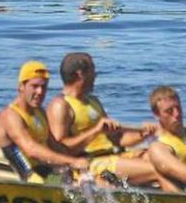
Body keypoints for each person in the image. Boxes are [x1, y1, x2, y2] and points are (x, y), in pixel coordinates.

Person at [45, 53, 178, 191]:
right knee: (158, 170)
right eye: (93, 71)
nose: (95, 76)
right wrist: (95, 130)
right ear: (80, 74)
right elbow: (59, 149)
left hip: (113, 155)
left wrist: (143, 134)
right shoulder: (60, 105)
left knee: (165, 159)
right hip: (91, 163)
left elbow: (118, 140)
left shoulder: (93, 101)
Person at [0, 60, 90, 182]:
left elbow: (53, 145)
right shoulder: (10, 116)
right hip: (30, 177)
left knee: (94, 177)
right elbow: (31, 150)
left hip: (46, 169)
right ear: (21, 87)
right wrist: (72, 161)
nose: (40, 92)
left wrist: (83, 160)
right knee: (73, 183)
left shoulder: (39, 111)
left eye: (44, 87)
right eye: (34, 86)